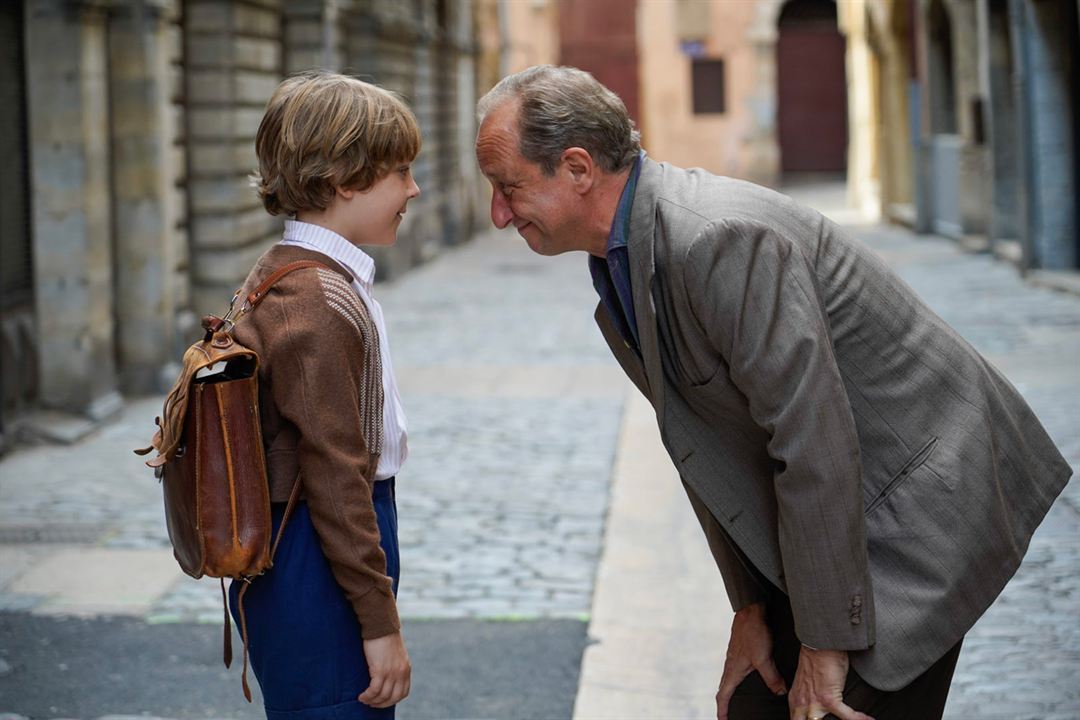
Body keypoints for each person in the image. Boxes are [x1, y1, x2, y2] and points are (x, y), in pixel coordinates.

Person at [474, 65, 1072, 720]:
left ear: (579, 168)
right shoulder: (621, 260)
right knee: (755, 704)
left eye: (508, 188)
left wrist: (824, 642)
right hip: (838, 519)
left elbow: (813, 442)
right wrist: (751, 608)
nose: (498, 214)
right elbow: (709, 446)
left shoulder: (717, 239)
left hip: (921, 502)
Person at [228, 70, 419, 718]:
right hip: (318, 548)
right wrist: (379, 621)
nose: (413, 190)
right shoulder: (318, 300)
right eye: (401, 172)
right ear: (344, 179)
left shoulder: (284, 272)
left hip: (307, 545)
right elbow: (337, 473)